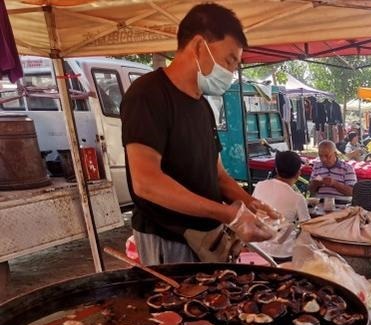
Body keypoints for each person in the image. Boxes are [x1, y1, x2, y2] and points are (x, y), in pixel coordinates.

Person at [120, 3, 277, 265]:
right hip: (169, 239)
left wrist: (251, 205)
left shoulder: (202, 104)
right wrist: (229, 215)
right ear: (198, 46)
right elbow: (146, 182)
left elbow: (216, 175)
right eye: (229, 60)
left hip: (207, 238)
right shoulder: (147, 95)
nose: (230, 72)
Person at [252, 151, 310, 224]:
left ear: (276, 170)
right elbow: (307, 225)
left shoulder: (259, 185)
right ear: (298, 173)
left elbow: (252, 208)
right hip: (282, 235)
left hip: (257, 231)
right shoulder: (298, 198)